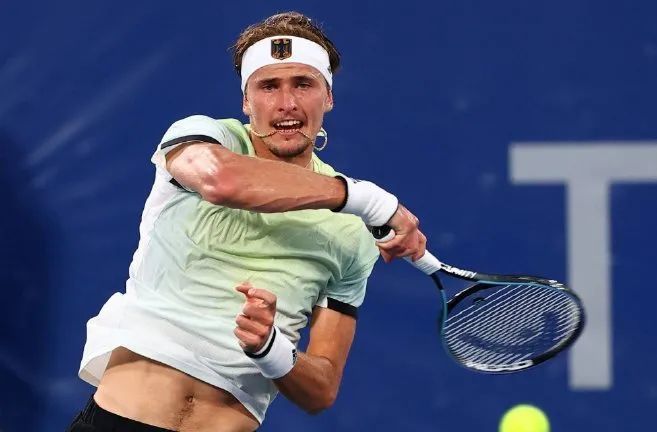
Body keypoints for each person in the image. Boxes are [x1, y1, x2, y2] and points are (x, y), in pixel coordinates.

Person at [67, 11, 426, 432]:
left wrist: (272, 350)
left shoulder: (351, 233)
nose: (287, 104)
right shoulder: (204, 138)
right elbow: (221, 180)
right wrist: (367, 199)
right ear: (245, 101)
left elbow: (322, 390)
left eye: (303, 84)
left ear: (328, 96)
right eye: (268, 86)